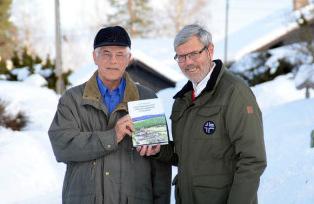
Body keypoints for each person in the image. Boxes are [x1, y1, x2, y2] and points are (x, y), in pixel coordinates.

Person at [48, 26, 171, 204]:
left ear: (129, 58)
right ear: (94, 57)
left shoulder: (147, 99)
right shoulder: (72, 99)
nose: (113, 60)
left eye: (120, 54)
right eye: (106, 53)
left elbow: (160, 168)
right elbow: (62, 147)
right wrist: (113, 136)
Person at [158, 24, 267, 204]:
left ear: (210, 50)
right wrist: (158, 150)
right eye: (181, 57)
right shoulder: (182, 100)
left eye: (193, 54)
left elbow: (253, 160)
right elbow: (185, 156)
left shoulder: (234, 92)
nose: (188, 62)